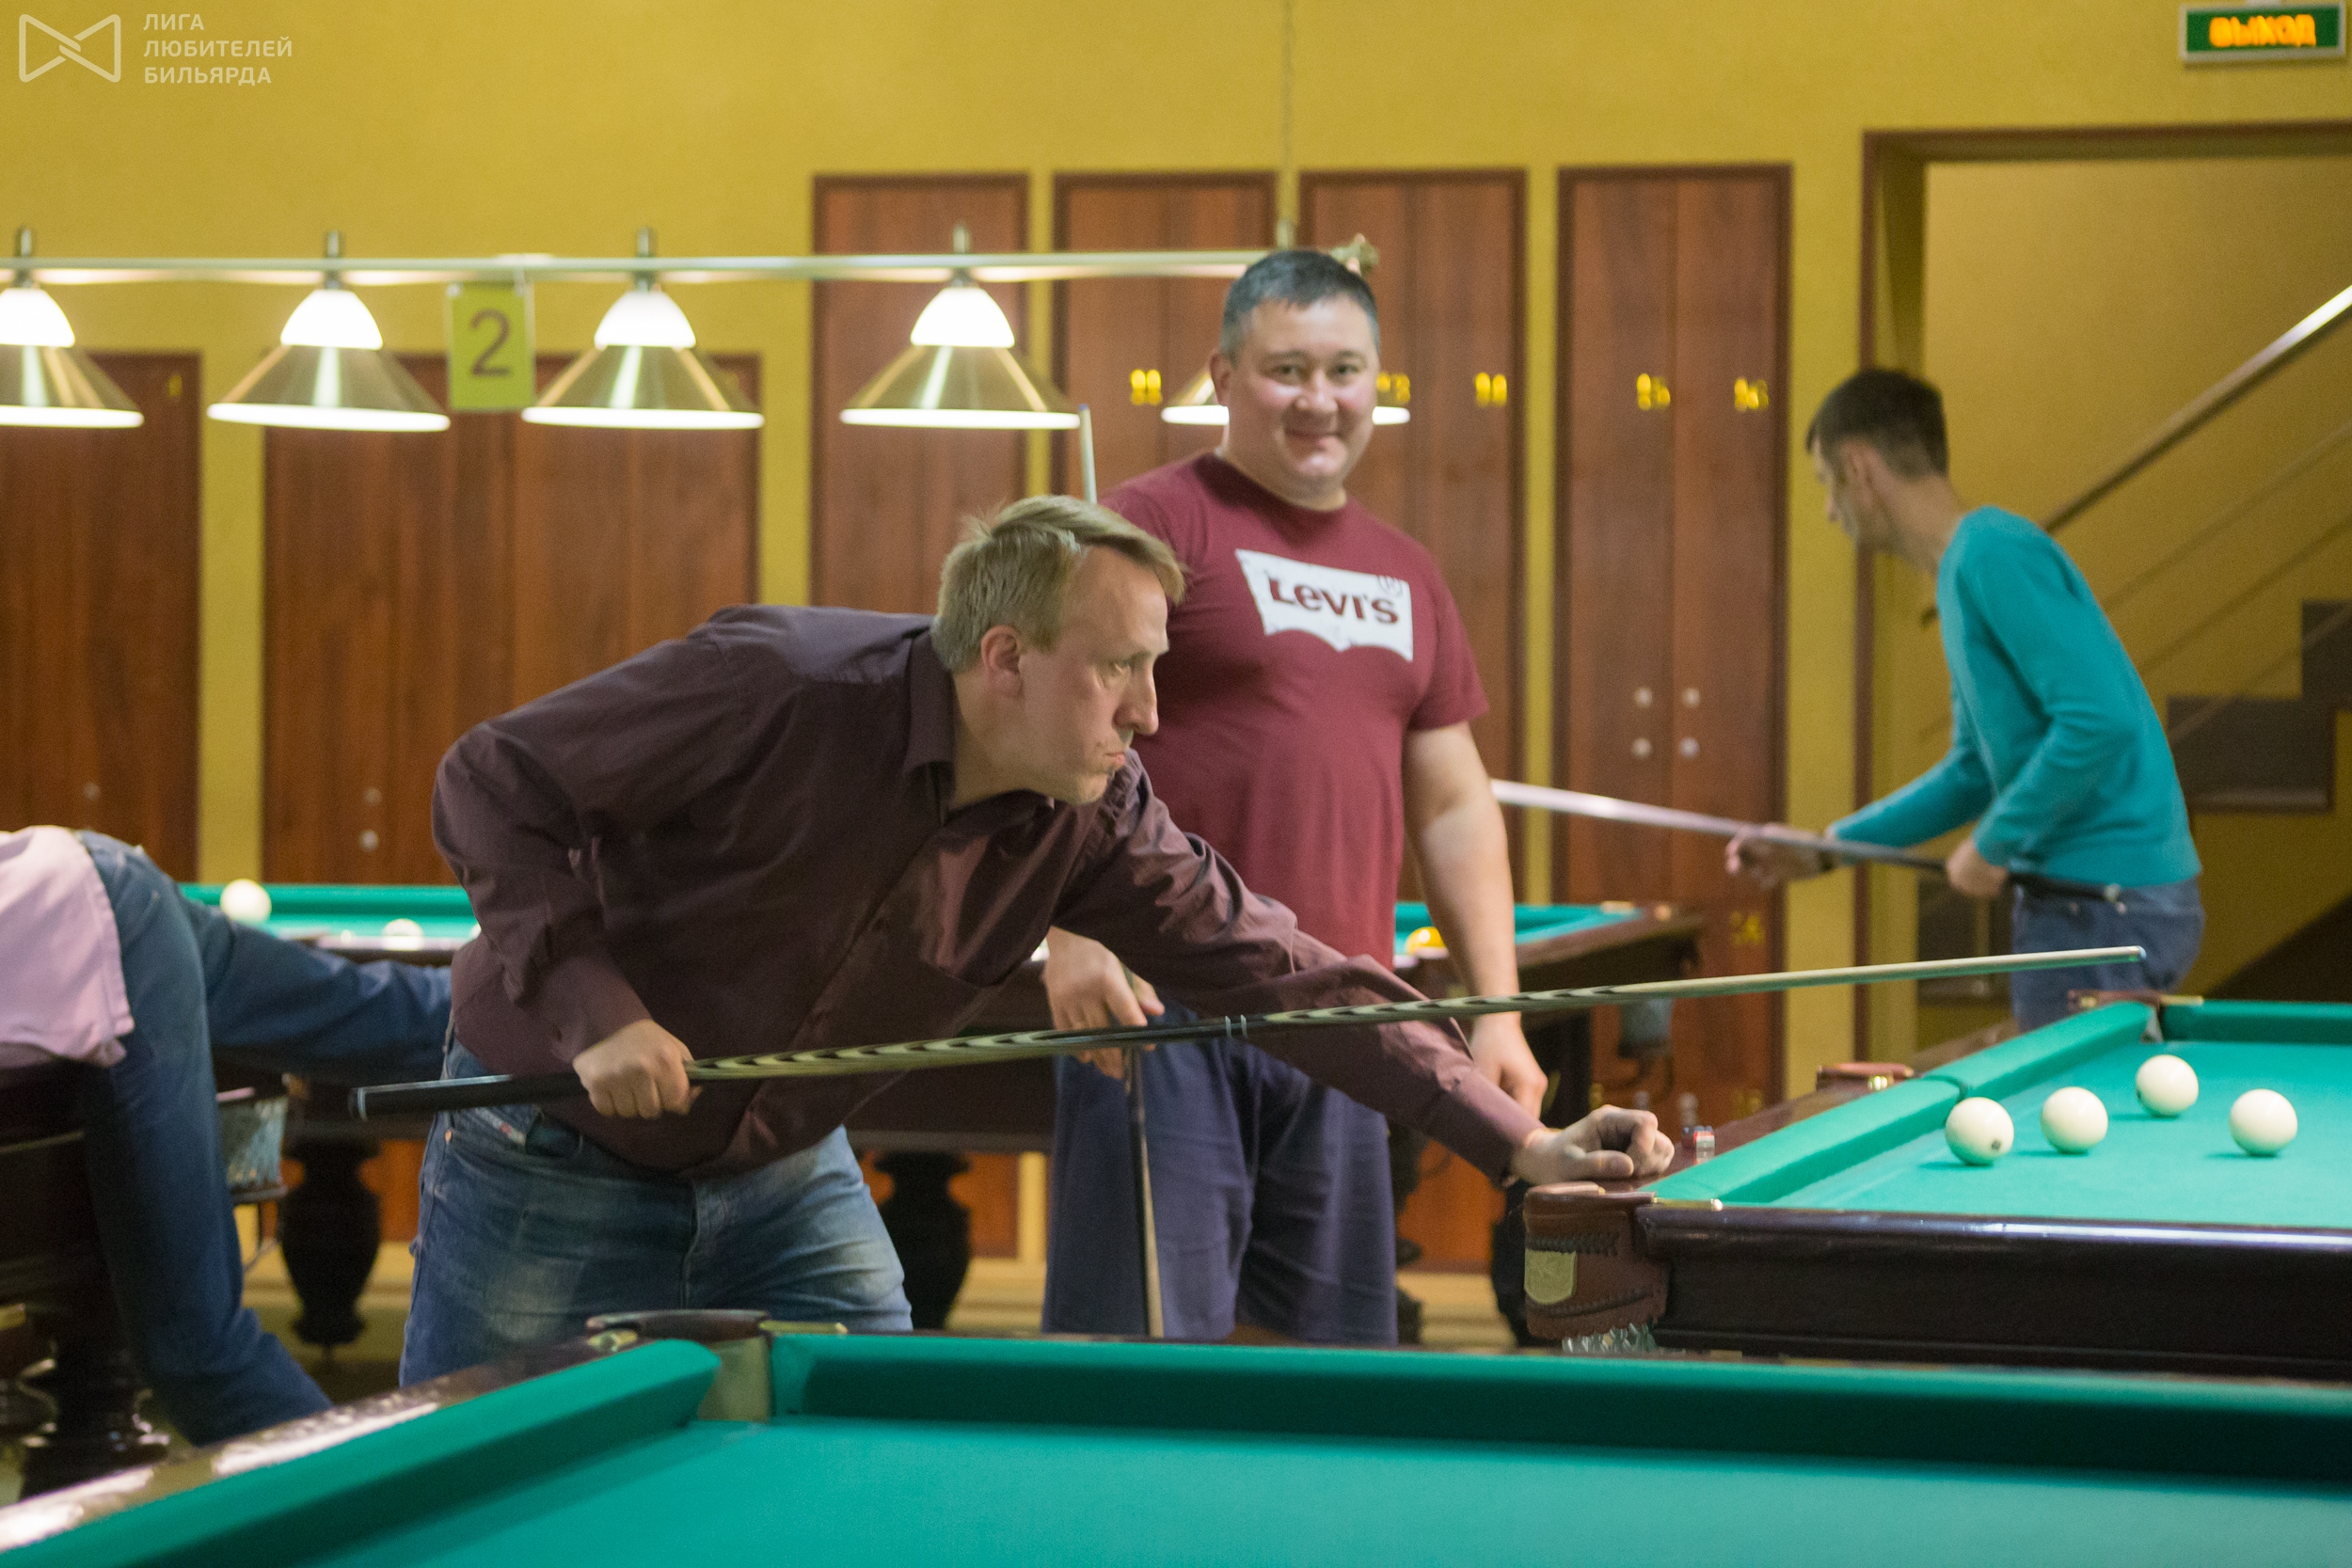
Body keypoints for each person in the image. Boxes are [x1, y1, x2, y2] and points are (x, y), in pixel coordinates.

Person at [403, 496, 1671, 1381]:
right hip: (550, 1151)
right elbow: (490, 779)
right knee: (461, 1480)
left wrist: (1520, 1143)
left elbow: (1290, 974)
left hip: (780, 1171)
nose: (1151, 712)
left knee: (878, 1459)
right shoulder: (779, 684)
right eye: (1120, 668)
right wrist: (596, 1008)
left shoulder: (1095, 820)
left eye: (1157, 668)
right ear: (1004, 658)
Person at [1039, 250, 1541, 1345]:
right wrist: (1071, 929)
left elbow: (1453, 805)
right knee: (1140, 1358)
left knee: (1339, 1364)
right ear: (1223, 375)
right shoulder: (1148, 524)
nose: (1319, 399)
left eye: (1344, 371)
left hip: (1344, 1011)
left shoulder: (1406, 570)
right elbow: (1050, 728)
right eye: (1287, 370)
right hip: (1165, 1007)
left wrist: (1495, 1010)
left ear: (1375, 384)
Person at [1728, 368, 2202, 1027]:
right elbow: (1973, 771)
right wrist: (1831, 846)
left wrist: (1994, 843)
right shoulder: (1961, 571)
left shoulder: (1990, 552)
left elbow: (2101, 718)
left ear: (1859, 468)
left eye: (1826, 484)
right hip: (2089, 903)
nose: (1831, 510)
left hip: (2102, 908)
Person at [0, 827, 451, 1444]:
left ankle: (395, 1506)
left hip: (96, 914)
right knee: (368, 1010)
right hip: (97, 876)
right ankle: (546, 1012)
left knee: (198, 1353)